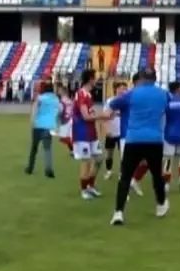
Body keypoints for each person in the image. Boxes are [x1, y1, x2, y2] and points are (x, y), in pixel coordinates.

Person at [109, 68, 171, 226]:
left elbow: (114, 104)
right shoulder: (163, 94)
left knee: (125, 176)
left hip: (134, 139)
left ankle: (118, 212)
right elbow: (169, 108)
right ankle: (160, 205)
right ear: (155, 78)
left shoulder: (132, 93)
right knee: (157, 175)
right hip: (154, 139)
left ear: (141, 78)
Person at [71, 70, 103, 200]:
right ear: (90, 79)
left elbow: (91, 113)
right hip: (82, 133)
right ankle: (84, 190)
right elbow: (85, 116)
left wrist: (99, 120)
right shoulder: (81, 94)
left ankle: (90, 185)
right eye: (95, 78)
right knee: (86, 161)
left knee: (99, 159)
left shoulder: (88, 95)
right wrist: (103, 116)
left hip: (91, 132)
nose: (96, 80)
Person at [25, 82, 62, 178]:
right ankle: (48, 169)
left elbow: (34, 111)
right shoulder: (56, 99)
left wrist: (32, 121)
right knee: (47, 149)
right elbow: (60, 111)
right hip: (49, 126)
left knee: (34, 148)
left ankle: (30, 168)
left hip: (38, 126)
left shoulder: (40, 98)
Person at [101, 82, 127, 180]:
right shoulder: (110, 101)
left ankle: (122, 173)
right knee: (109, 153)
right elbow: (104, 117)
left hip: (123, 133)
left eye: (124, 89)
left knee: (123, 155)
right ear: (115, 89)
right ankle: (109, 171)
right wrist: (107, 130)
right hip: (111, 132)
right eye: (120, 88)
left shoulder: (127, 101)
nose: (122, 91)